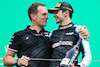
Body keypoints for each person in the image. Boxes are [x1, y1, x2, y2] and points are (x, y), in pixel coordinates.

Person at [3, 2, 90, 67]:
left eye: (49, 14)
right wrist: (17, 61)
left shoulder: (49, 35)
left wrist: (84, 34)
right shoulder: (19, 35)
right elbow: (6, 60)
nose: (49, 17)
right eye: (44, 14)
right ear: (33, 16)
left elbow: (85, 54)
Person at [48, 2, 92, 67]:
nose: (53, 15)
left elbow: (87, 55)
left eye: (56, 12)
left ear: (66, 13)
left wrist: (79, 66)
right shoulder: (52, 33)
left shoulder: (79, 30)